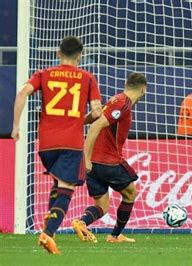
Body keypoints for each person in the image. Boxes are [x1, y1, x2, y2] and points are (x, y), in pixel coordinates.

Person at [11, 36, 103, 255]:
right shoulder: (87, 78)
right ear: (80, 56)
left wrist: (15, 126)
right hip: (70, 143)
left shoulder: (44, 74)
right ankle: (48, 234)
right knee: (67, 189)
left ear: (58, 53)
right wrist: (83, 120)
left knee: (59, 184)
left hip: (45, 144)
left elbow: (23, 92)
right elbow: (98, 112)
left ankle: (50, 219)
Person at [71, 73, 147, 243]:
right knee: (130, 194)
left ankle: (82, 222)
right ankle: (114, 236)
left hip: (96, 165)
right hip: (108, 160)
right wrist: (87, 158)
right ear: (143, 89)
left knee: (102, 207)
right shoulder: (123, 103)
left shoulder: (115, 99)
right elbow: (97, 125)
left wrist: (78, 122)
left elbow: (95, 116)